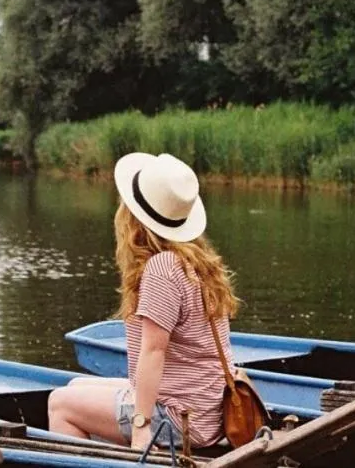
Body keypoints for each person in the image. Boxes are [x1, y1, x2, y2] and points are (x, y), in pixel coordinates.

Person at [47, 152, 239, 451]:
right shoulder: (197, 260)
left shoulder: (163, 268)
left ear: (132, 216)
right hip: (207, 410)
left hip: (181, 418)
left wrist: (141, 427)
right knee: (75, 386)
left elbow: (153, 352)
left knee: (60, 404)